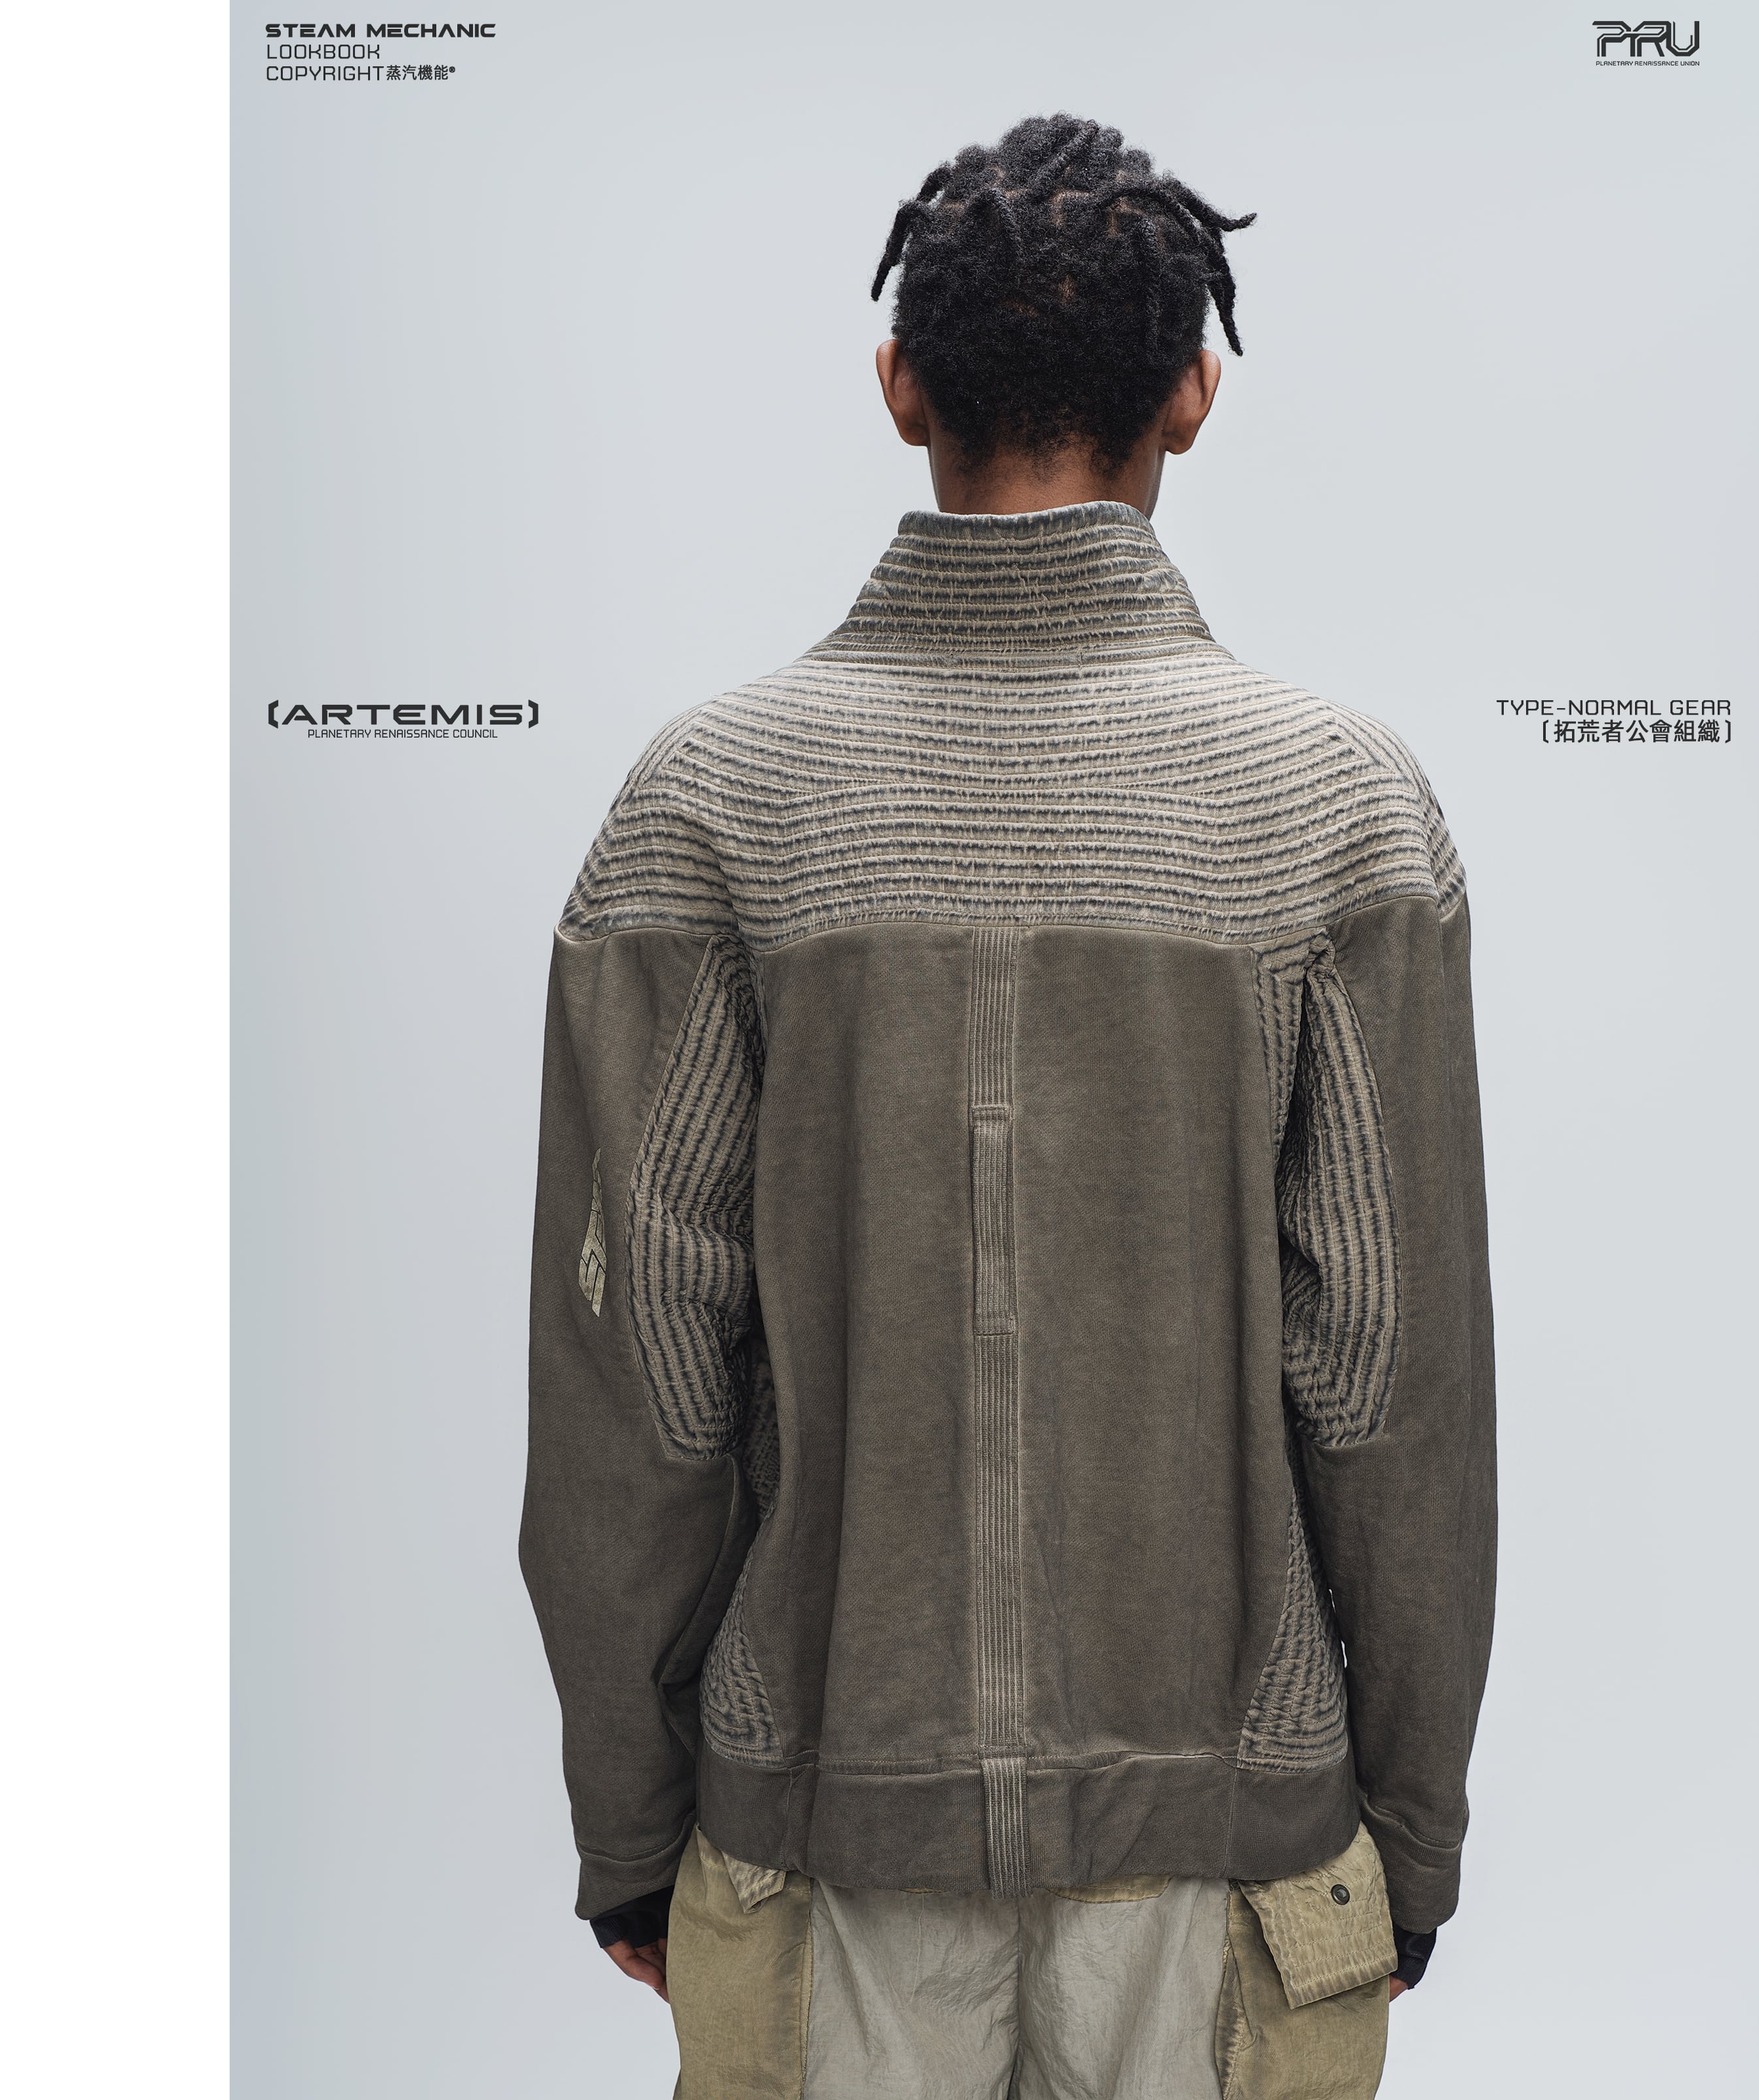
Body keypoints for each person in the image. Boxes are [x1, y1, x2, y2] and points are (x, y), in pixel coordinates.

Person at [520, 113, 1497, 2099]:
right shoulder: (1340, 814)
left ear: (900, 383)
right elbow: (1394, 1392)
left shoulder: (709, 807)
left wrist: (633, 1821)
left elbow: (637, 1391)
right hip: (1237, 1852)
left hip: (816, 1837)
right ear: (1195, 393)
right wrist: (1408, 1836)